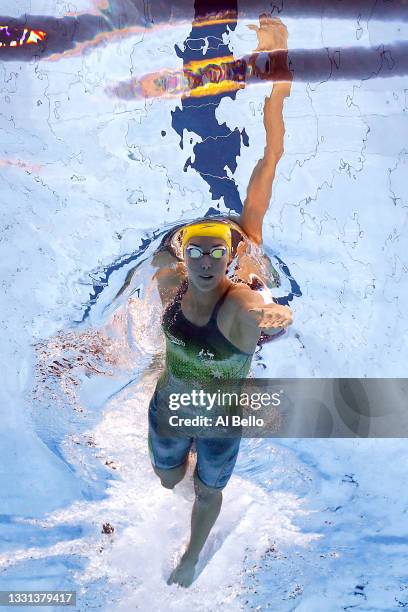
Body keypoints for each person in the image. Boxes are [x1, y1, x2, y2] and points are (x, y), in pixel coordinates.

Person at [148, 16, 293, 588]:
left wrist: (276, 76)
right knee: (166, 480)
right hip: (171, 403)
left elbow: (269, 158)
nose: (209, 256)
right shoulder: (170, 277)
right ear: (185, 253)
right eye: (197, 248)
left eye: (218, 247)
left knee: (209, 485)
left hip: (221, 415)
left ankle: (192, 554)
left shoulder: (246, 253)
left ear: (229, 253)